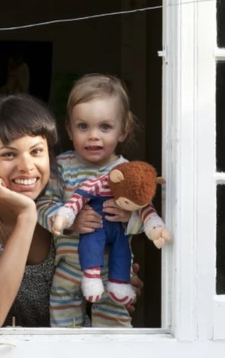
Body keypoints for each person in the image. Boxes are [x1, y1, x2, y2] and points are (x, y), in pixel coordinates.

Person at [0, 93, 142, 328]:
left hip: (62, 346)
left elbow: (95, 270)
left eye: (36, 152)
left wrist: (117, 285)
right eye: (9, 154)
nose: (26, 167)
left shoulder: (66, 201)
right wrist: (27, 215)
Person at [36, 74, 146, 328]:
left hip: (113, 271)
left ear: (123, 131)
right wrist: (70, 222)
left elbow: (146, 220)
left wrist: (130, 218)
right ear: (69, 129)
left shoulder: (128, 172)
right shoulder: (60, 167)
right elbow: (41, 207)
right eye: (83, 126)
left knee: (113, 332)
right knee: (65, 330)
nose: (93, 136)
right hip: (69, 267)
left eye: (105, 127)